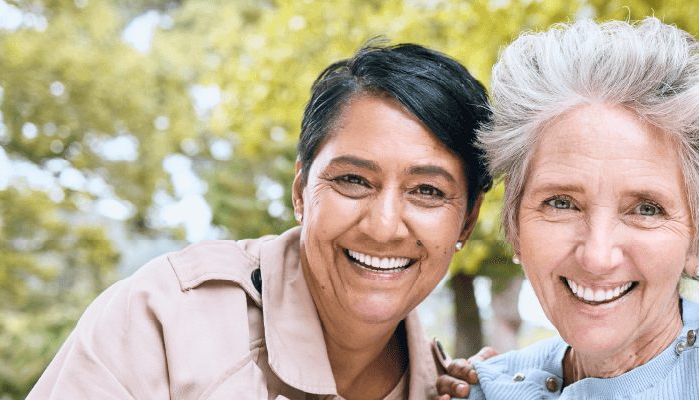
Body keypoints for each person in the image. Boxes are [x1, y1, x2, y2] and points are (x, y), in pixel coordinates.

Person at [29, 42, 492, 399]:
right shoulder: (166, 317)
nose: (385, 225)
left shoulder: (457, 389)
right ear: (300, 193)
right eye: (354, 180)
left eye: (427, 191)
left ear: (466, 225)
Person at [438, 18, 699, 400]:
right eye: (561, 203)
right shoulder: (482, 386)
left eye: (646, 209)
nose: (597, 255)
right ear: (514, 225)